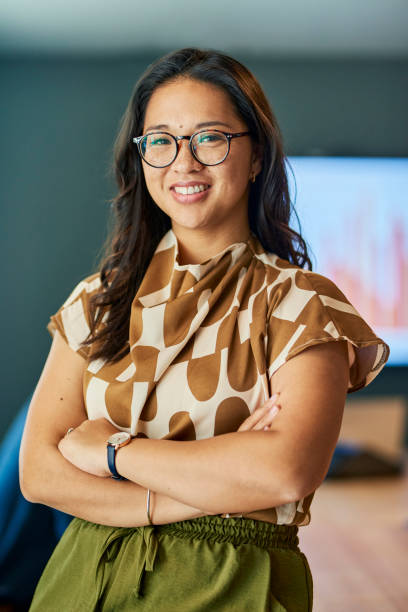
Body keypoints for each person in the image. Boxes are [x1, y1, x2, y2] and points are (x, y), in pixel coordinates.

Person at [19, 47, 390, 611]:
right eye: (161, 140)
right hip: (81, 577)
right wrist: (212, 484)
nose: (183, 163)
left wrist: (113, 452)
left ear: (257, 155)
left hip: (231, 583)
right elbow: (39, 475)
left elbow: (286, 472)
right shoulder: (97, 300)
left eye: (210, 137)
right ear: (140, 157)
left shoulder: (301, 303)